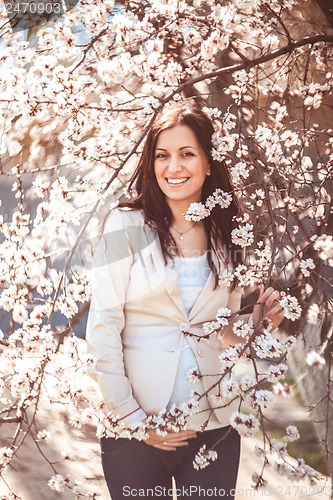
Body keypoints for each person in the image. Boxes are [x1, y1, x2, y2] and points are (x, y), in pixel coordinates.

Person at [86, 106, 284, 499]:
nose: (173, 166)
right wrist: (136, 422)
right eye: (163, 155)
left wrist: (253, 328)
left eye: (187, 153)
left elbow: (220, 333)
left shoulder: (228, 232)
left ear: (209, 163)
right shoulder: (124, 226)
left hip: (213, 426)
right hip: (135, 428)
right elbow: (102, 329)